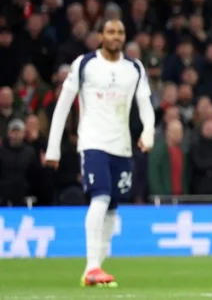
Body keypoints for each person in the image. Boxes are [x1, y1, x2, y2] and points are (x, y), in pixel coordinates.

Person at [44, 19, 156, 287]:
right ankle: (92, 266)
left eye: (120, 32)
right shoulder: (85, 64)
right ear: (100, 36)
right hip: (93, 142)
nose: (115, 36)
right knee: (101, 196)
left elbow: (145, 103)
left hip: (122, 146)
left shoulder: (134, 68)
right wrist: (53, 148)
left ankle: (97, 268)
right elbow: (63, 106)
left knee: (113, 207)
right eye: (110, 32)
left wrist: (148, 131)